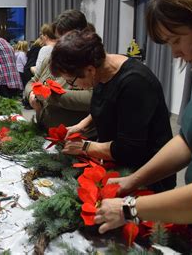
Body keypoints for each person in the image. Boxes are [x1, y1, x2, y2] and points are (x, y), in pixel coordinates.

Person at [95, 0, 192, 241]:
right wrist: (135, 180)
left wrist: (130, 209)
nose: (175, 53)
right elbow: (187, 138)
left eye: (177, 39)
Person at [50, 29, 176, 192]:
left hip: (145, 175)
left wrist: (85, 147)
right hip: (119, 164)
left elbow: (127, 149)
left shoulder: (134, 83)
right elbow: (107, 104)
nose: (74, 86)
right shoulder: (102, 72)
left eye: (72, 81)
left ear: (89, 70)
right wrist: (82, 124)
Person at [24, 9, 93, 131]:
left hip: (74, 138)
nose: (61, 44)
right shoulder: (50, 59)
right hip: (44, 130)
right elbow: (32, 81)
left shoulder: (91, 65)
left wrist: (50, 95)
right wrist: (31, 94)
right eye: (58, 39)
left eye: (66, 38)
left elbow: (93, 99)